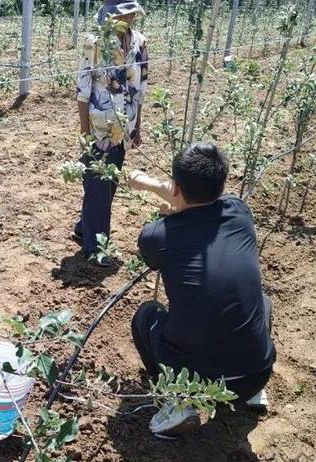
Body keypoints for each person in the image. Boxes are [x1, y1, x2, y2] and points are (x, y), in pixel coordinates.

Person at [127, 144, 276, 438]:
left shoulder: (157, 235)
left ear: (177, 188)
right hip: (255, 375)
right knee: (263, 301)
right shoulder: (240, 212)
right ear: (222, 183)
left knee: (146, 315)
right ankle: (251, 394)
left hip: (194, 380)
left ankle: (177, 401)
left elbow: (158, 250)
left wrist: (170, 217)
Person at [73, 0, 149, 267]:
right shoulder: (94, 42)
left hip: (124, 126)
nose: (127, 16)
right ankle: (96, 247)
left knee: (109, 183)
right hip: (99, 127)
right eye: (123, 11)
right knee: (97, 183)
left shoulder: (139, 41)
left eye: (129, 11)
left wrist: (137, 126)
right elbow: (83, 90)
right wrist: (85, 132)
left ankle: (85, 227)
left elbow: (141, 86)